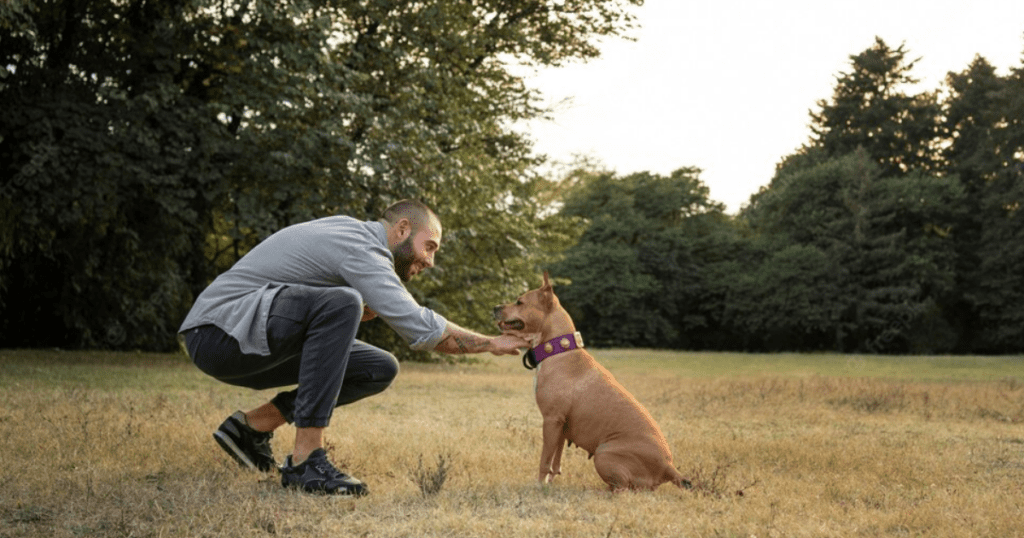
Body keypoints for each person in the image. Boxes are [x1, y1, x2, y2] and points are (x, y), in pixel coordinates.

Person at [179, 200, 528, 496]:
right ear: (403, 229)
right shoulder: (361, 245)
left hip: (250, 341)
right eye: (430, 246)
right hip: (216, 335)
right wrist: (491, 343)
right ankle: (306, 462)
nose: (430, 261)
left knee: (378, 366)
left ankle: (251, 427)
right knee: (343, 302)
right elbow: (420, 327)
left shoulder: (354, 240)